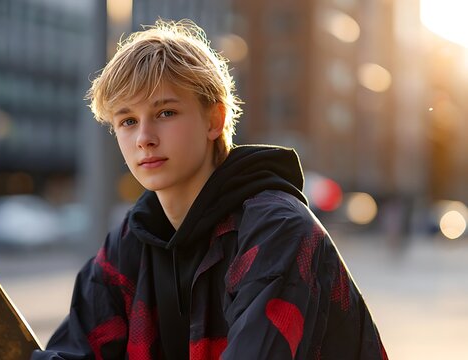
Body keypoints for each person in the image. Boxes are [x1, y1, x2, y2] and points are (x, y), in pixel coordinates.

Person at [32, 19, 387, 359]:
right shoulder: (131, 241)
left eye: (166, 113)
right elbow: (75, 349)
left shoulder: (277, 229)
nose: (144, 138)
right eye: (127, 121)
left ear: (214, 120)